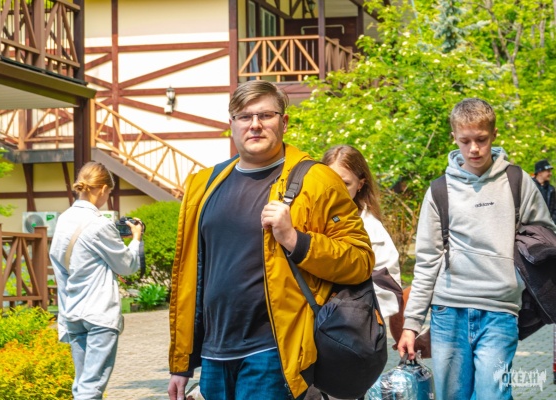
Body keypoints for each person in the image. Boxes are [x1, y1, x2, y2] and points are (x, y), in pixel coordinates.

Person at [167, 80, 375, 400]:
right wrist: (181, 364)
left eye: (265, 115)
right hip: (214, 355)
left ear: (284, 122)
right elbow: (189, 279)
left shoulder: (317, 180)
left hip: (274, 352)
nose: (255, 125)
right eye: (244, 116)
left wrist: (295, 240)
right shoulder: (202, 185)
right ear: (232, 123)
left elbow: (359, 261)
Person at [397, 98, 556, 400]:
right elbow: (427, 262)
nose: (474, 149)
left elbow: (544, 238)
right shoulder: (439, 190)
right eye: (465, 140)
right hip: (448, 312)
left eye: (481, 140)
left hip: (500, 311)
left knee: (493, 395)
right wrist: (411, 325)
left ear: (494, 134)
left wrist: (518, 274)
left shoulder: (517, 181)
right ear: (454, 137)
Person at [49, 161, 143, 400]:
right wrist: (136, 240)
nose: (107, 197)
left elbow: (60, 266)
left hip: (73, 312)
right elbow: (128, 265)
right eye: (109, 192)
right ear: (102, 189)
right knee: (91, 389)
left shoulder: (63, 220)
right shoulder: (99, 224)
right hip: (99, 314)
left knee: (82, 385)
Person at [322, 145, 402, 334]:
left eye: (346, 183)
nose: (337, 190)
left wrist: (349, 312)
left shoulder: (373, 230)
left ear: (360, 184)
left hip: (350, 333)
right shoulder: (303, 218)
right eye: (330, 181)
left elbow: (389, 290)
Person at [532, 159, 556, 223]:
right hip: (532, 225)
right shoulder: (530, 187)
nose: (550, 174)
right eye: (548, 171)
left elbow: (554, 210)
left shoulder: (551, 189)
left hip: (548, 225)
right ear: (540, 173)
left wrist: (551, 224)